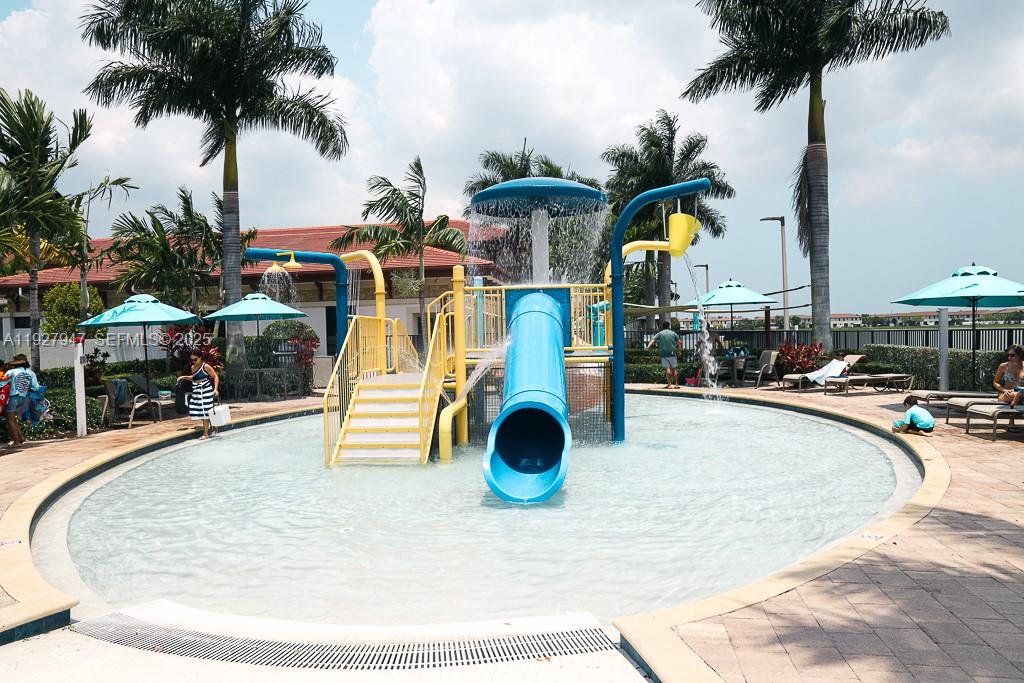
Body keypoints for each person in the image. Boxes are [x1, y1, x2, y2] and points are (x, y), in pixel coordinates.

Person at [178, 352, 219, 440]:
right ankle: (211, 426)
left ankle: (206, 434)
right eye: (192, 360)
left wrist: (215, 389)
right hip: (197, 391)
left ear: (200, 358)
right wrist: (184, 377)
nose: (193, 361)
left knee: (205, 411)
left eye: (195, 359)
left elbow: (215, 377)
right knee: (197, 409)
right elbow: (194, 377)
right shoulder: (193, 367)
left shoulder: (206, 366)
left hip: (206, 390)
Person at [4, 354, 41, 446]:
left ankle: (17, 441)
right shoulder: (31, 373)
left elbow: (2, 383)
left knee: (9, 420)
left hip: (13, 397)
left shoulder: (11, 372)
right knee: (12, 418)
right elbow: (36, 387)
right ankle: (21, 437)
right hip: (22, 398)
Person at [646, 321, 682, 389]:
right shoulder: (673, 333)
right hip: (672, 353)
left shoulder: (660, 333)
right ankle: (676, 384)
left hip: (664, 353)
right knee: (674, 369)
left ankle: (669, 385)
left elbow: (653, 340)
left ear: (663, 326)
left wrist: (648, 346)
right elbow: (679, 342)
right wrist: (679, 351)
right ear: (669, 326)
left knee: (667, 369)